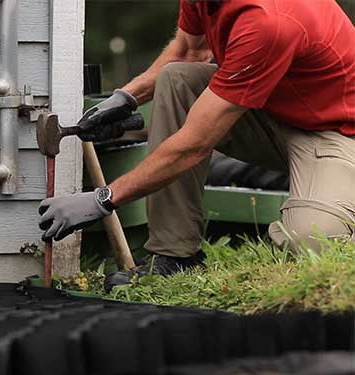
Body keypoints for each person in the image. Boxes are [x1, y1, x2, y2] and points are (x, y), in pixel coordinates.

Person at [39, 0, 355, 290]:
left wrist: (102, 200)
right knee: (178, 80)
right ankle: (174, 256)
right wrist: (126, 98)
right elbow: (188, 52)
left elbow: (194, 144)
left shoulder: (269, 20)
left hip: (336, 132)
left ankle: (337, 195)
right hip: (275, 109)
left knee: (310, 239)